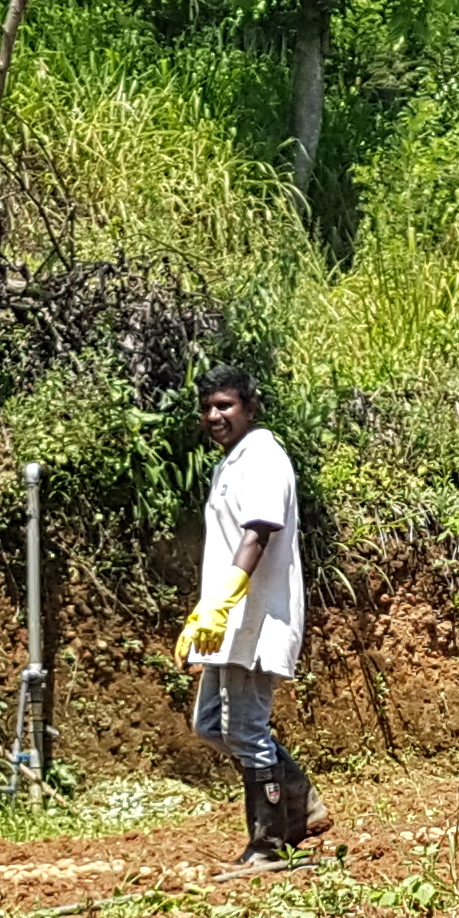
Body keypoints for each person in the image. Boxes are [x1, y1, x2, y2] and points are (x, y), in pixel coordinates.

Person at [178, 363, 315, 863]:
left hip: (255, 617)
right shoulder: (234, 460)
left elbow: (258, 533)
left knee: (246, 729)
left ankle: (268, 846)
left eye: (225, 406)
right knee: (210, 724)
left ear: (250, 408)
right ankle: (299, 798)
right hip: (229, 618)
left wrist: (222, 601)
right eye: (208, 407)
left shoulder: (262, 457)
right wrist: (207, 610)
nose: (214, 415)